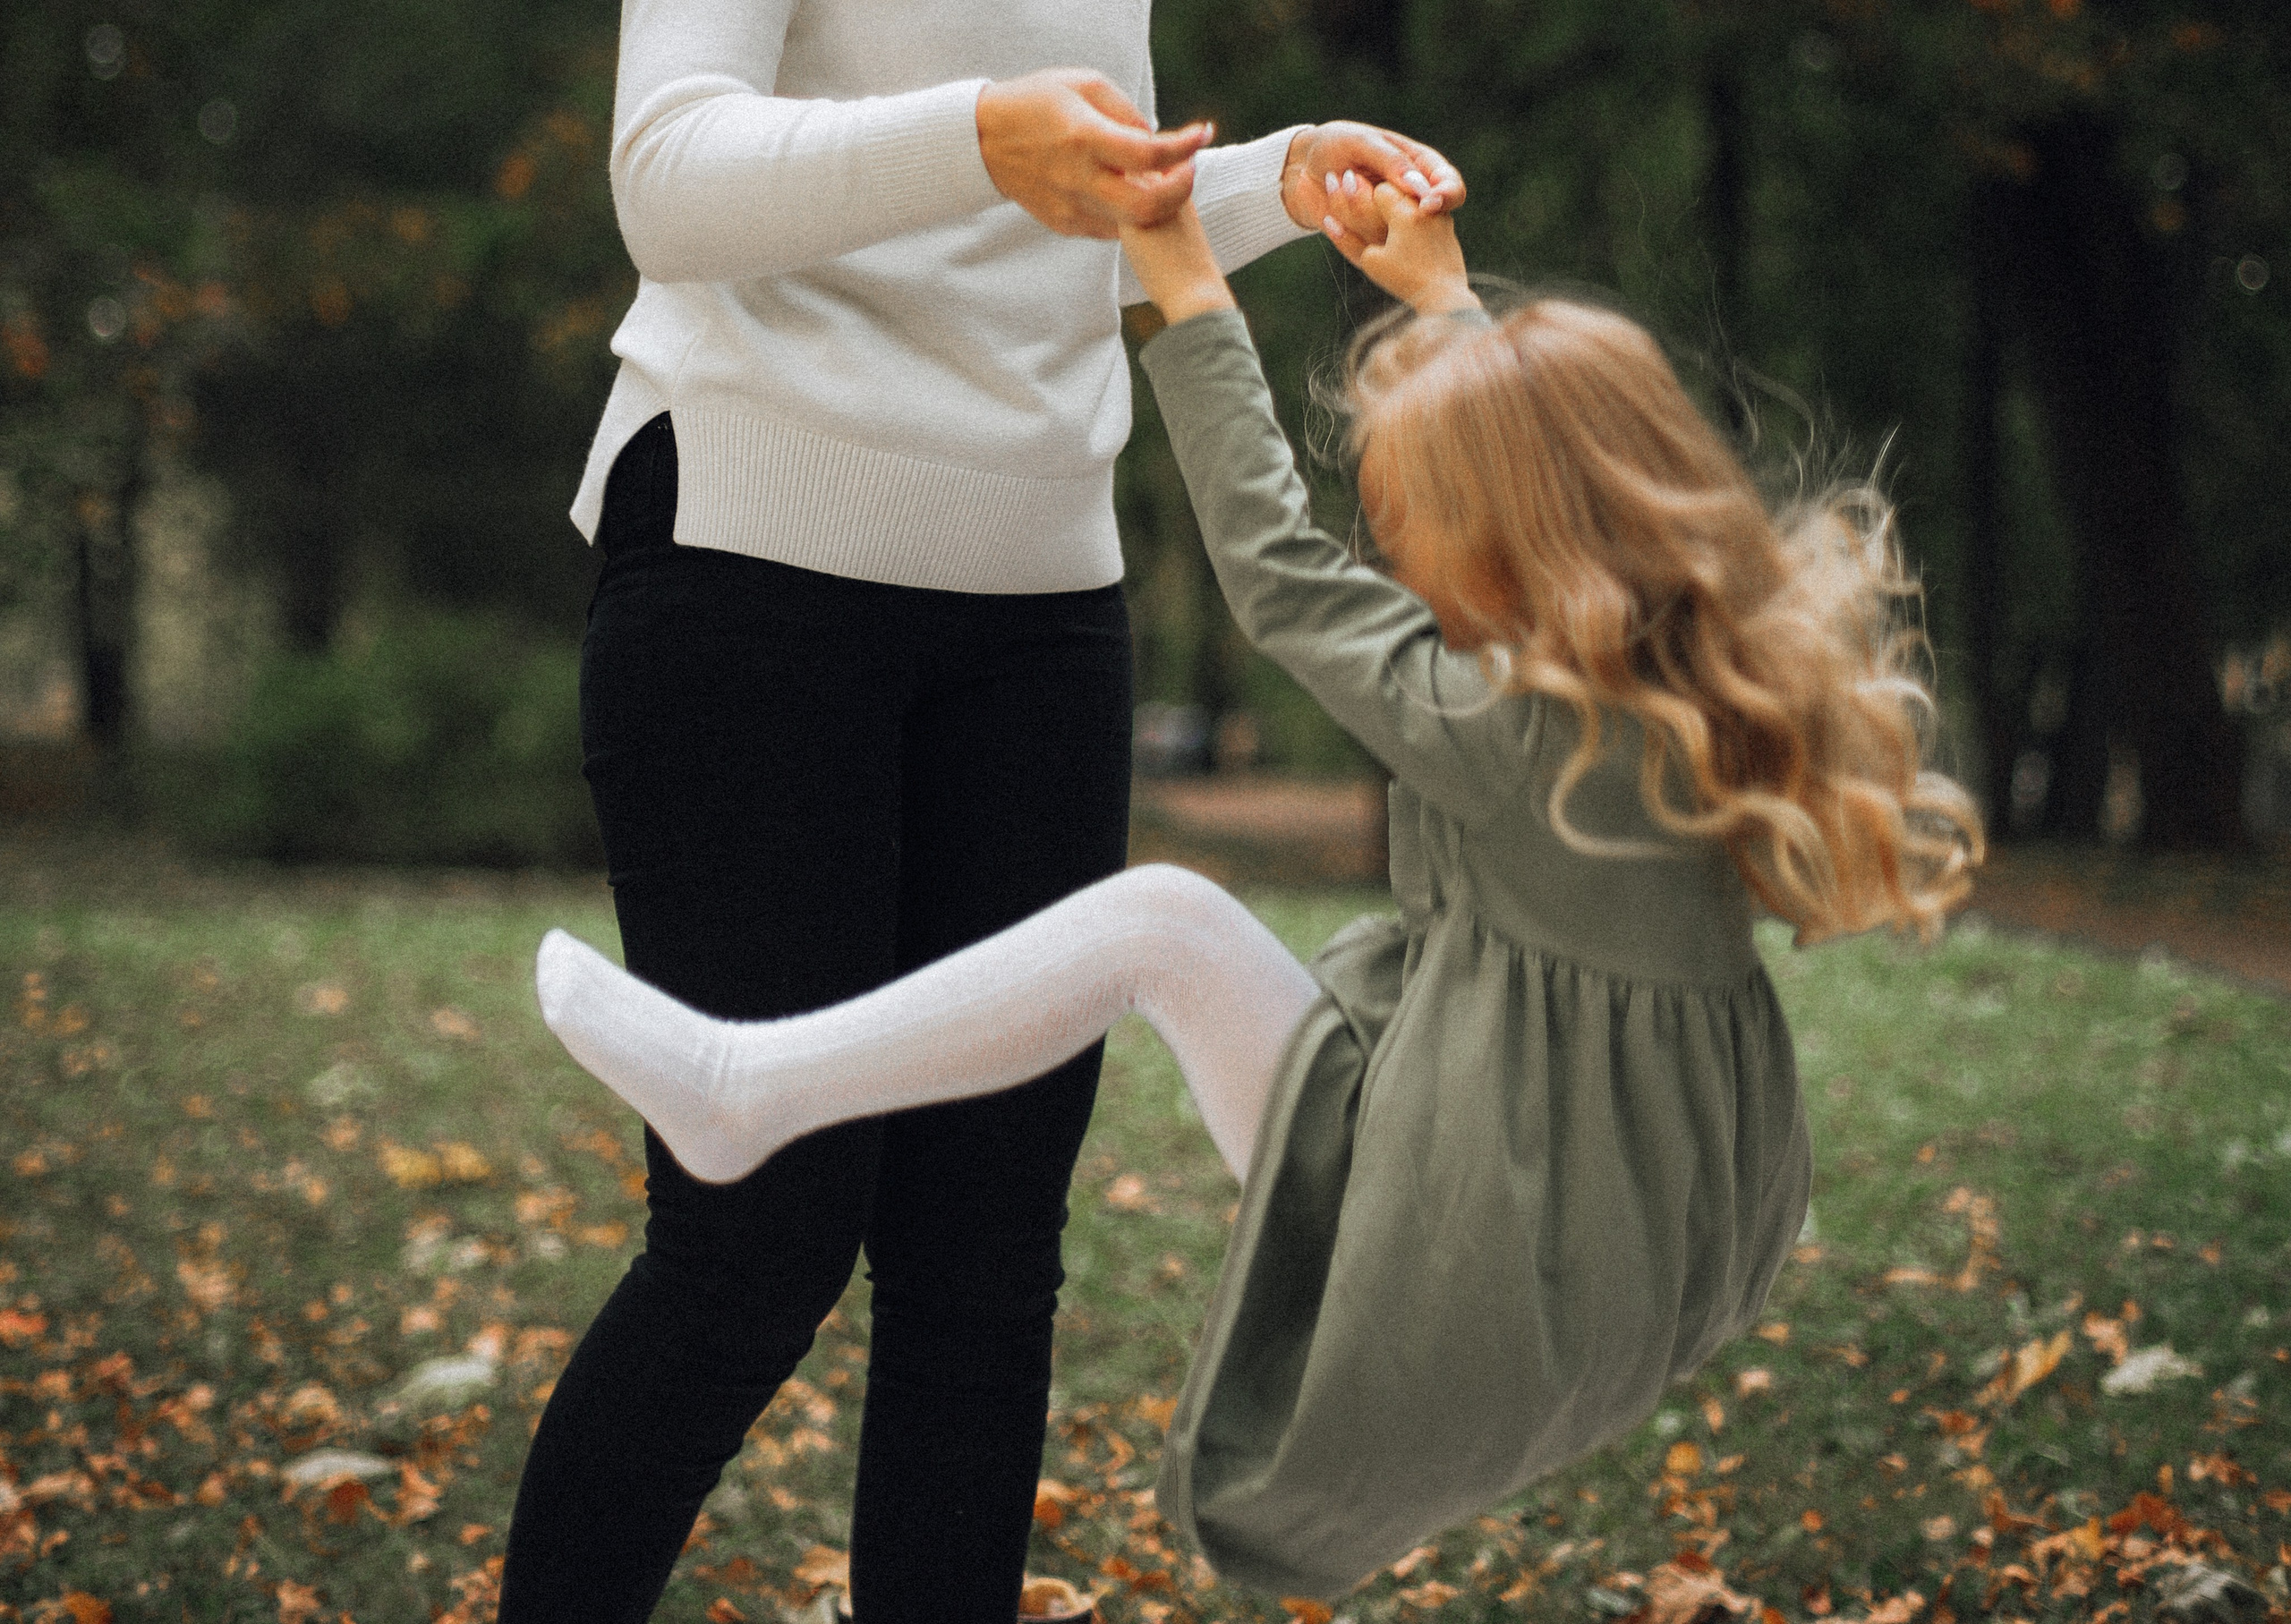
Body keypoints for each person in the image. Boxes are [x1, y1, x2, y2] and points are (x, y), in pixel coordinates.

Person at [534, 182, 1987, 1596]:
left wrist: (1191, 295)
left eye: (1406, 515)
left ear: (1505, 531)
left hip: (1478, 1221)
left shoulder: (1512, 730)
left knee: (1164, 925)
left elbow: (1278, 579)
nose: (1389, 549)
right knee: (1160, 953)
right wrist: (1442, 301)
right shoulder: (1681, 688)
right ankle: (757, 1084)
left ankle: (752, 1086)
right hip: (1651, 1235)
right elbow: (1539, 446)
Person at [498, 0, 1469, 1616]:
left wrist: (1279, 181)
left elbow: (1058, 233)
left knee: (984, 1266)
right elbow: (666, 175)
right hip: (750, 556)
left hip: (1040, 604)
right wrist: (978, 135)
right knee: (754, 1248)